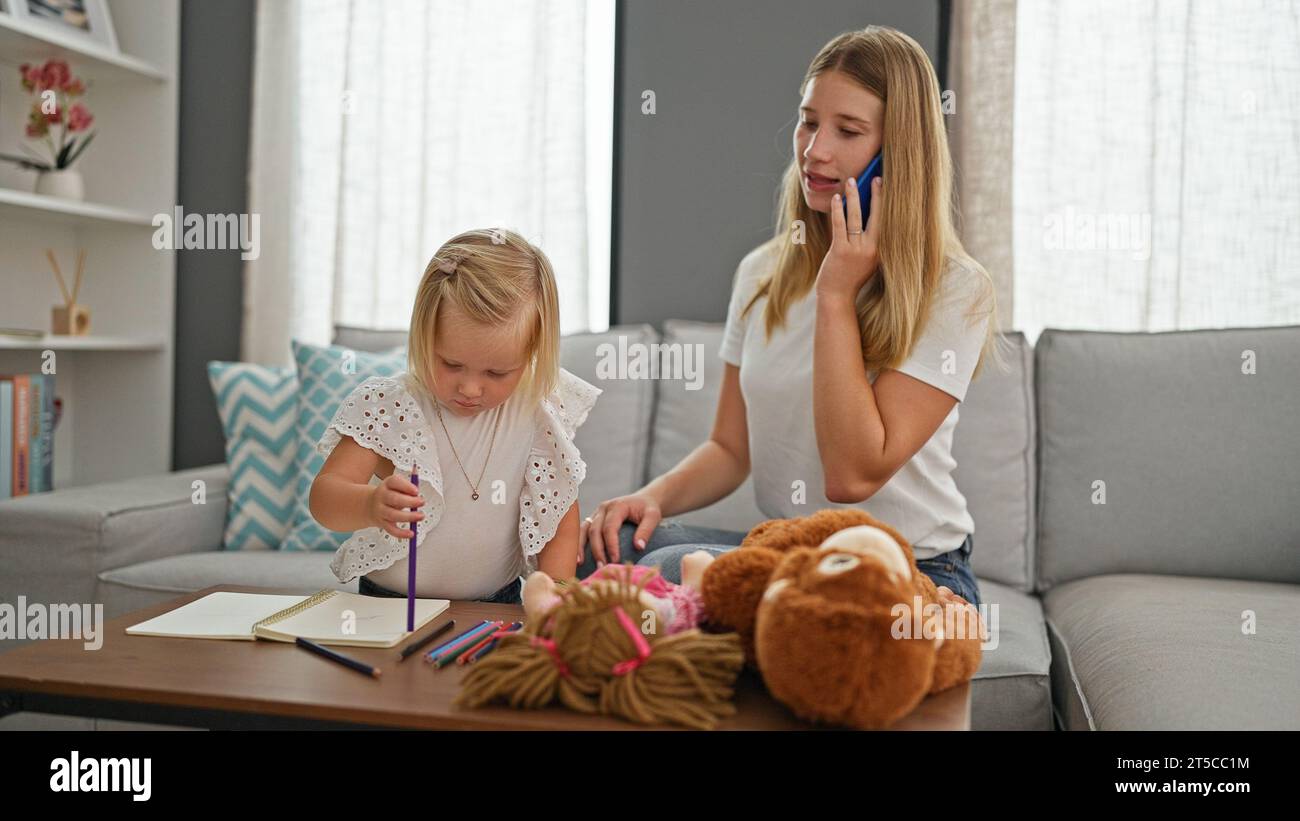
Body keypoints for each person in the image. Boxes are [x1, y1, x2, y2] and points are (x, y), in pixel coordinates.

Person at [579, 26, 1005, 609]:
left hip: (913, 570)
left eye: (848, 131)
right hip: (793, 553)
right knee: (611, 550)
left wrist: (836, 296)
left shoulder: (954, 290)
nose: (814, 151)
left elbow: (851, 477)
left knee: (668, 570)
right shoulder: (762, 273)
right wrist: (649, 498)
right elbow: (731, 449)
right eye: (809, 122)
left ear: (899, 151)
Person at [310, 228, 600, 605]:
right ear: (423, 335)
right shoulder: (389, 406)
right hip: (388, 604)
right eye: (451, 364)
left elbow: (559, 514)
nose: (470, 389)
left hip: (496, 602)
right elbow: (324, 497)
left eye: (497, 373)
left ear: (531, 355)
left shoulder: (535, 412)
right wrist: (368, 504)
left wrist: (557, 598)